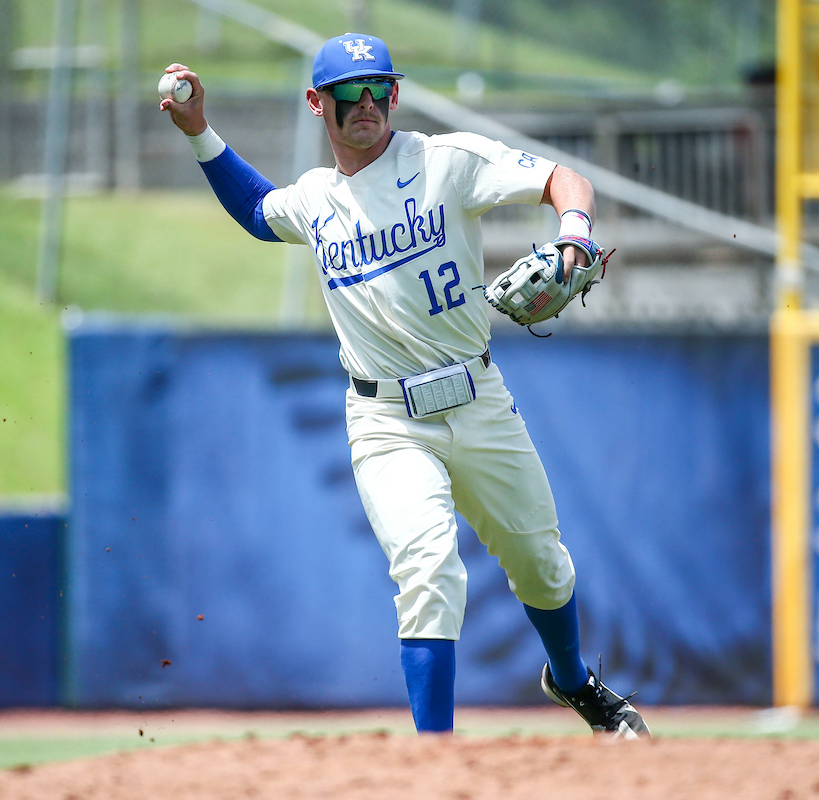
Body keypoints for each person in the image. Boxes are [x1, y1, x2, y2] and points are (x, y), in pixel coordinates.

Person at [160, 33, 649, 740]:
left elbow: (563, 181)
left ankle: (573, 683)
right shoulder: (317, 199)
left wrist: (574, 232)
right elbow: (258, 212)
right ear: (315, 103)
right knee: (429, 571)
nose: (367, 105)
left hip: (478, 400)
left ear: (394, 93)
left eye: (378, 89)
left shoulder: (444, 163)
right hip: (387, 421)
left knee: (544, 566)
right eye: (348, 93)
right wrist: (199, 130)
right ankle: (434, 763)